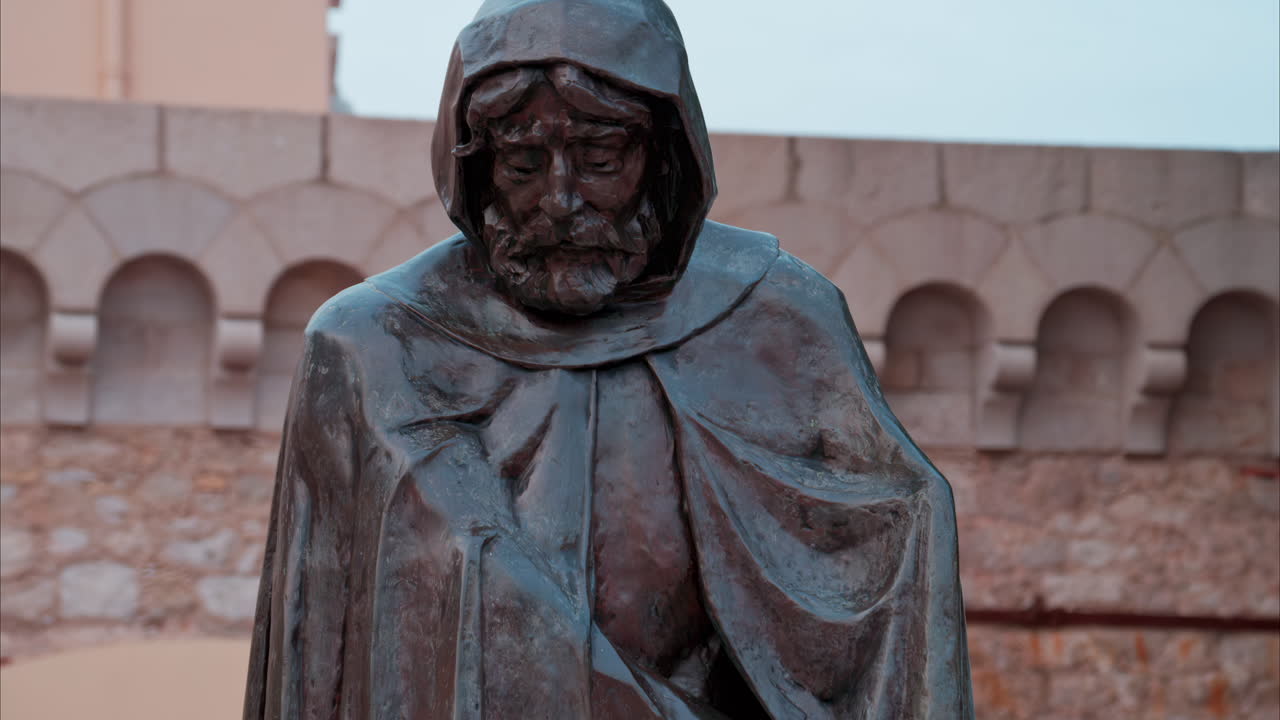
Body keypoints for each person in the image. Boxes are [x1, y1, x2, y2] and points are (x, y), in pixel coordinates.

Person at [244, 1, 974, 717]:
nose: (559, 200)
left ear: (663, 157)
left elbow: (895, 587)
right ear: (474, 162)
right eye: (523, 162)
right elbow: (318, 656)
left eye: (599, 159)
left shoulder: (776, 319)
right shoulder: (373, 345)